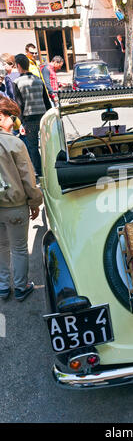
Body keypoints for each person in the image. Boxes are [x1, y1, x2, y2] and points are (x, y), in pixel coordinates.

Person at [0, 95, 43, 301]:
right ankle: (21, 286)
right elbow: (28, 177)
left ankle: (2, 285)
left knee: (1, 247)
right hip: (14, 205)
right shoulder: (14, 143)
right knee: (18, 247)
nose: (14, 121)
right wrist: (35, 202)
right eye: (11, 116)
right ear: (1, 116)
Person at [14, 54, 51, 177]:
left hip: (29, 119)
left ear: (18, 66)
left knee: (33, 147)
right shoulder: (38, 80)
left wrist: (21, 122)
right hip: (43, 116)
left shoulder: (17, 82)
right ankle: (50, 167)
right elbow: (46, 101)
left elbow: (19, 105)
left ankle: (39, 172)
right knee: (48, 144)